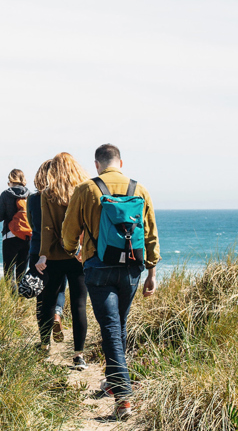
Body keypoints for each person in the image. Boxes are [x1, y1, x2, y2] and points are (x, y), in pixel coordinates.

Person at [61, 144, 160, 421]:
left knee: (111, 329)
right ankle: (113, 382)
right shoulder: (140, 190)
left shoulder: (86, 189)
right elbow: (151, 233)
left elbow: (69, 232)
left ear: (97, 164)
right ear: (121, 162)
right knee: (119, 325)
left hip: (98, 266)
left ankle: (124, 399)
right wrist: (151, 272)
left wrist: (72, 250)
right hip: (131, 268)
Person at [33, 153, 89, 369]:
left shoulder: (48, 193)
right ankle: (78, 356)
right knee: (79, 305)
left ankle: (45, 346)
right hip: (79, 256)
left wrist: (43, 255)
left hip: (55, 255)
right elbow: (89, 224)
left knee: (47, 301)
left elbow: (47, 227)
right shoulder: (85, 189)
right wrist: (83, 248)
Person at [27, 160, 67, 342]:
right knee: (59, 290)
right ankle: (57, 315)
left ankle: (44, 342)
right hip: (59, 251)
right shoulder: (63, 197)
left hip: (37, 250)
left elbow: (30, 222)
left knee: (40, 295)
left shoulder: (33, 199)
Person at [0, 168, 32, 285]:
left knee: (9, 274)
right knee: (21, 273)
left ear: (10, 180)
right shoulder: (30, 195)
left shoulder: (6, 194)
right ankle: (20, 301)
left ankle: (13, 301)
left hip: (10, 237)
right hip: (27, 237)